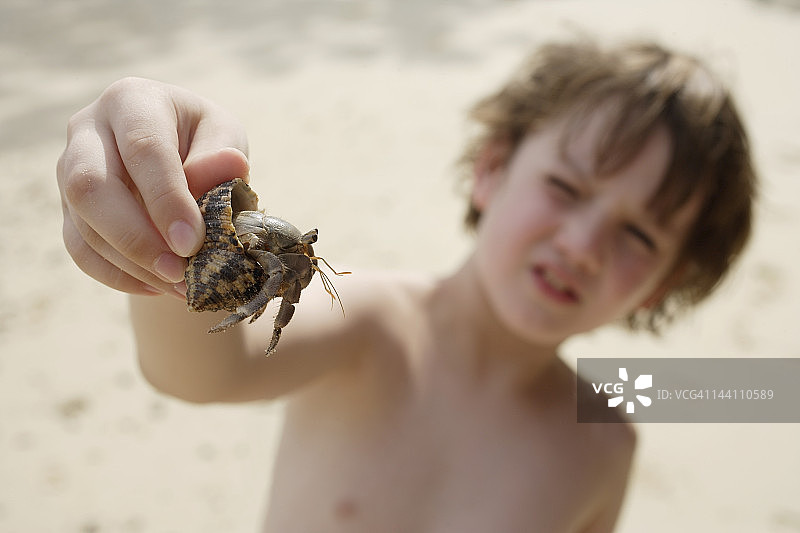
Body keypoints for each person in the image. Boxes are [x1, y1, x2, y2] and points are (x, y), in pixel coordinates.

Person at [57, 39, 756, 532]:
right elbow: (198, 373)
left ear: (669, 282)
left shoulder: (604, 447)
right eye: (566, 186)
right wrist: (166, 212)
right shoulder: (374, 326)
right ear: (492, 168)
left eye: (640, 235)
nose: (582, 244)